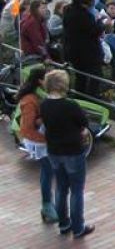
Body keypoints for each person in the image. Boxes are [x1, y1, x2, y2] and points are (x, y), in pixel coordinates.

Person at [40, 69, 95, 238]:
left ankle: (64, 225)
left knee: (61, 188)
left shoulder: (44, 105)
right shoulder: (70, 105)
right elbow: (84, 123)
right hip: (72, 151)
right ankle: (78, 227)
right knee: (76, 190)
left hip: (54, 151)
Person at [16, 67, 57, 224]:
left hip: (42, 139)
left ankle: (47, 206)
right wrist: (45, 140)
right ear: (40, 81)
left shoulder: (36, 95)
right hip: (39, 141)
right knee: (47, 172)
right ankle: (47, 206)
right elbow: (27, 128)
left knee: (47, 172)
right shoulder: (30, 100)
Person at [62, 0, 104, 98]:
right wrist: (100, 22)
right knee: (96, 75)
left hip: (73, 50)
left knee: (80, 76)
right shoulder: (84, 16)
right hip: (87, 52)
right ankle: (92, 97)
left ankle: (80, 96)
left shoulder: (68, 10)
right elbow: (94, 31)